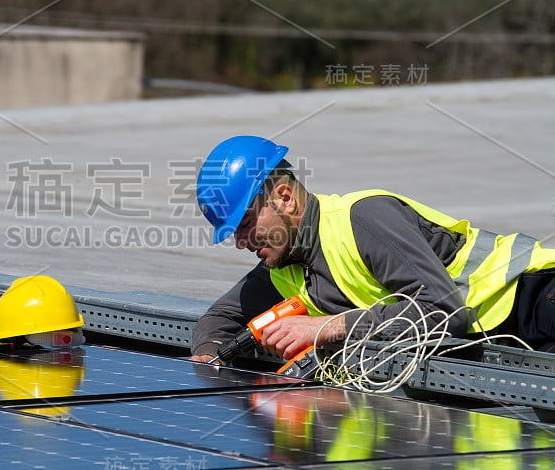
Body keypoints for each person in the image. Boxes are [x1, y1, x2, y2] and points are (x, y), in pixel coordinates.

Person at [190, 135, 555, 363]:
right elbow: (217, 319)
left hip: (536, 296)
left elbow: (446, 314)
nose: (240, 242)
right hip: (503, 337)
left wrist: (325, 327)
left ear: (284, 198)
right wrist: (208, 356)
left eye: (246, 224)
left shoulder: (363, 219)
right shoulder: (282, 265)